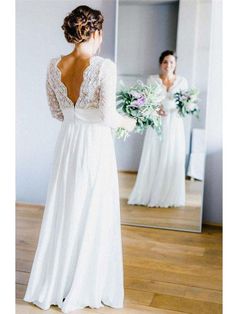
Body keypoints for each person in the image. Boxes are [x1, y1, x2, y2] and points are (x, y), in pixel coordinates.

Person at [23, 5, 136, 313]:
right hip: (94, 144)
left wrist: (76, 116)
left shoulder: (52, 65)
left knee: (65, 206)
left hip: (68, 142)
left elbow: (57, 113)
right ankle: (86, 282)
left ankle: (57, 281)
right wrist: (133, 121)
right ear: (96, 32)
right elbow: (109, 117)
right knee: (92, 207)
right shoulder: (104, 67)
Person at [128, 50, 188, 207]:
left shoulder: (182, 82)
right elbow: (147, 102)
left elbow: (185, 104)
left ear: (175, 64)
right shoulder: (152, 80)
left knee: (171, 155)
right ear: (161, 64)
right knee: (154, 154)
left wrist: (180, 107)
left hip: (174, 124)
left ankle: (169, 195)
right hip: (157, 124)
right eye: (165, 62)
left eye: (172, 62)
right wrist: (155, 110)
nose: (168, 65)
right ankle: (149, 193)